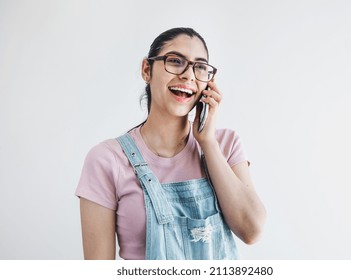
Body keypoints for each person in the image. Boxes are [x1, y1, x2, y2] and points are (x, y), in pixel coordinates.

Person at [75, 27, 266, 260]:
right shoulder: (107, 159)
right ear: (147, 70)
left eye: (200, 67)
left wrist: (208, 143)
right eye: (175, 61)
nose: (188, 75)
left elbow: (252, 231)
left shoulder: (226, 144)